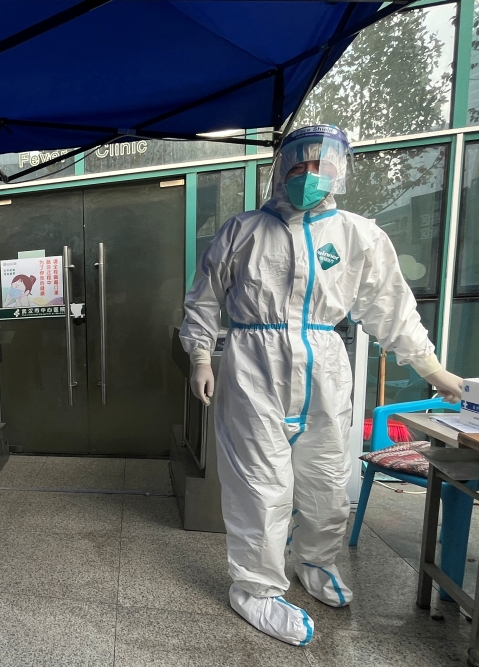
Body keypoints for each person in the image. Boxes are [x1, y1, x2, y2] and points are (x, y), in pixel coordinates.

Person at [180, 124, 463, 646]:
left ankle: (315, 562)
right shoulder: (242, 230)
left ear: (339, 172)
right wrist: (201, 355)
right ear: (279, 170)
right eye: (298, 165)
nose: (309, 177)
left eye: (321, 167)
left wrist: (432, 370)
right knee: (261, 485)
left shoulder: (359, 235)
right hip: (251, 365)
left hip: (325, 366)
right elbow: (202, 299)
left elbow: (391, 309)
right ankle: (256, 588)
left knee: (328, 477)